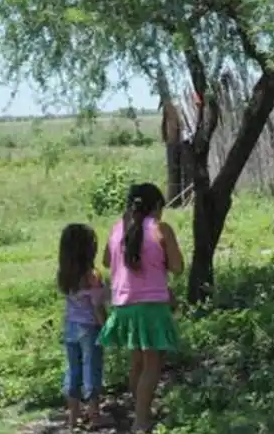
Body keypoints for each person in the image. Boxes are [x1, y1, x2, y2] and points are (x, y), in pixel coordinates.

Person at [100, 183, 183, 433]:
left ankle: (140, 410)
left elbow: (106, 261)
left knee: (136, 363)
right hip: (152, 308)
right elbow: (178, 267)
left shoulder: (118, 228)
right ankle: (141, 421)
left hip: (123, 307)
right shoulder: (161, 229)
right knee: (152, 365)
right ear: (157, 206)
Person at [56, 223, 107, 430]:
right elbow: (97, 306)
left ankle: (73, 417)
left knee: (73, 369)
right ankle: (94, 415)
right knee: (92, 369)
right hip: (90, 328)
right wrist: (107, 328)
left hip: (70, 326)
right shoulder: (92, 276)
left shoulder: (63, 274)